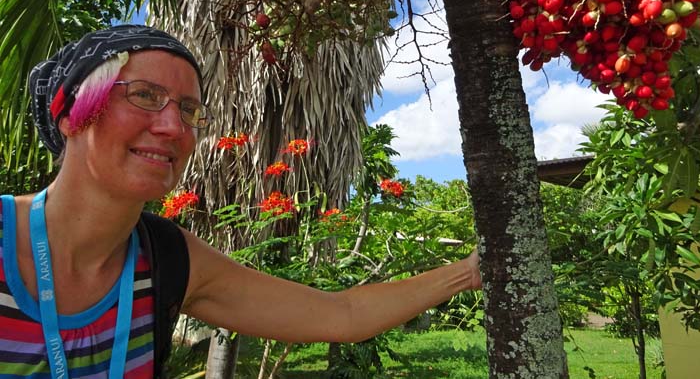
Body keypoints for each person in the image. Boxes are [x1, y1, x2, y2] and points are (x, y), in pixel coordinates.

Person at [0, 24, 481, 379]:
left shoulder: (167, 260)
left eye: (188, 109)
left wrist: (471, 271)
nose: (173, 127)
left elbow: (343, 315)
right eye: (145, 95)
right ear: (70, 113)